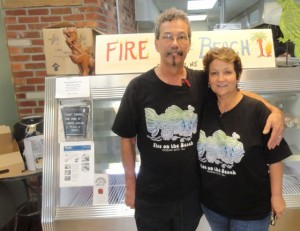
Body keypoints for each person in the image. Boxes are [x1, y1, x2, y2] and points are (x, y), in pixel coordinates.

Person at [112, 8, 284, 231]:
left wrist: (274, 111)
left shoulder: (202, 81)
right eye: (167, 37)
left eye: (181, 37)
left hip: (191, 197)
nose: (175, 43)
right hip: (152, 197)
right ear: (156, 43)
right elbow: (127, 138)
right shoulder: (138, 88)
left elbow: (236, 93)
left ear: (188, 43)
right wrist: (130, 185)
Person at [198, 47, 292, 231]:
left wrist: (276, 196)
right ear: (208, 79)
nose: (221, 78)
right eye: (214, 73)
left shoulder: (257, 111)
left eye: (227, 72)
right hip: (213, 207)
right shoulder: (205, 106)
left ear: (238, 76)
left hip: (250, 211)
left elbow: (275, 159)